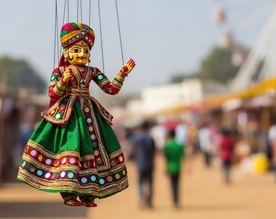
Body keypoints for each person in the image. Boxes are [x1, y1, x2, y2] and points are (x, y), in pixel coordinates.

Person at [17, 22, 135, 207]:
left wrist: (123, 74)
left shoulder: (92, 71)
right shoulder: (60, 71)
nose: (82, 54)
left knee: (93, 152)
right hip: (69, 115)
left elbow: (111, 89)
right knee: (70, 149)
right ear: (66, 53)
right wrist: (63, 81)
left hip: (90, 114)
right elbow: (53, 94)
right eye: (77, 50)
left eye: (86, 51)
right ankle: (69, 194)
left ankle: (89, 194)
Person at [130, 120, 156, 208]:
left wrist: (131, 157)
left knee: (140, 183)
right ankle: (149, 201)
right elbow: (154, 150)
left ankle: (141, 199)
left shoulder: (137, 137)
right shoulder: (150, 138)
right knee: (150, 183)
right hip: (150, 163)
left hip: (140, 163)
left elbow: (132, 148)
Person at [163, 129, 185, 208]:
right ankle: (177, 201)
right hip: (178, 167)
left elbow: (166, 158)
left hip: (170, 167)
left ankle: (174, 201)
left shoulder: (167, 146)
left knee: (172, 185)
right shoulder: (179, 145)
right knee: (177, 185)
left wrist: (165, 168)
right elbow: (183, 156)